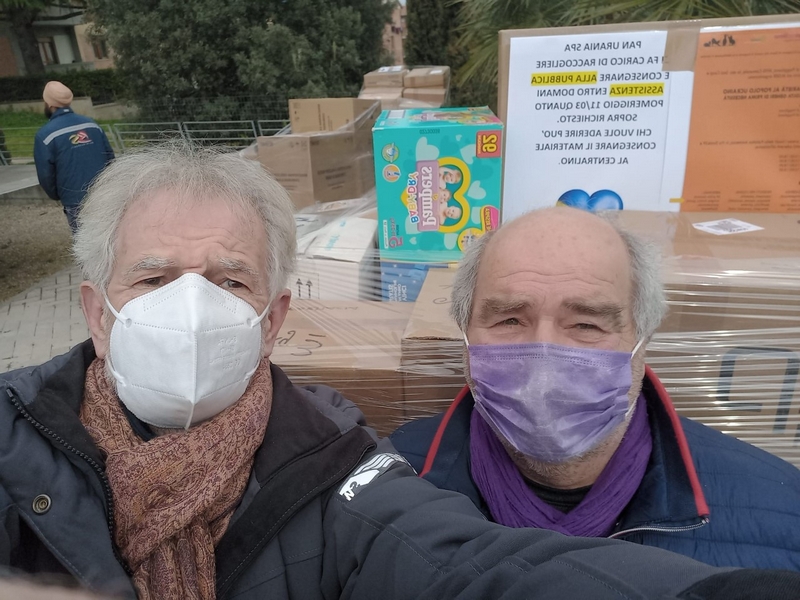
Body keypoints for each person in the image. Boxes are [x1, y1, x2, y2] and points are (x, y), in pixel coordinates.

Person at [2, 146, 799, 600]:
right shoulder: (12, 436)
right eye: (152, 277)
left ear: (273, 319)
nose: (190, 305)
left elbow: (473, 567)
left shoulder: (338, 462)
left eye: (230, 280)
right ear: (98, 311)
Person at [392, 207, 800, 571]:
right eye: (510, 320)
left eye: (586, 324)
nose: (544, 363)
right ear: (465, 335)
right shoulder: (391, 483)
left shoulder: (784, 514)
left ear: (642, 340)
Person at [34, 81, 115, 235]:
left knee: (85, 242)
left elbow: (46, 174)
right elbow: (110, 159)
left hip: (74, 200)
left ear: (49, 104)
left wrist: (57, 194)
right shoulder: (92, 125)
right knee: (108, 237)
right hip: (103, 195)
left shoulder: (45, 136)